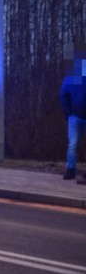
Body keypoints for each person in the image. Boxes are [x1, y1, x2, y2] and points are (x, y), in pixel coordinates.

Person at [60, 43, 86, 182]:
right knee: (73, 144)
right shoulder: (72, 76)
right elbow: (63, 93)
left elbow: (63, 94)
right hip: (75, 116)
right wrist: (68, 112)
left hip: (75, 115)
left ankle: (71, 170)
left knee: (73, 144)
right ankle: (70, 169)